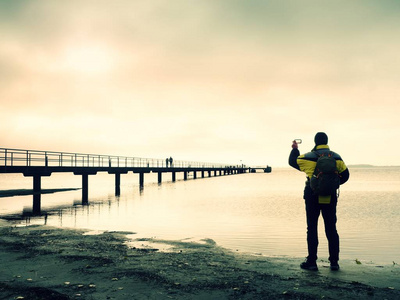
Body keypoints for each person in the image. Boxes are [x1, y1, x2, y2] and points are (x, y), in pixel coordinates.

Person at [289, 132, 349, 271]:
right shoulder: (336, 157)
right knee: (331, 228)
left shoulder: (307, 157)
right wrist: (332, 184)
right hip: (330, 196)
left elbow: (292, 161)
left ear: (315, 142)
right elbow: (346, 176)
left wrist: (294, 148)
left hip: (312, 195)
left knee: (312, 227)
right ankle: (334, 262)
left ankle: (312, 262)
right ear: (326, 141)